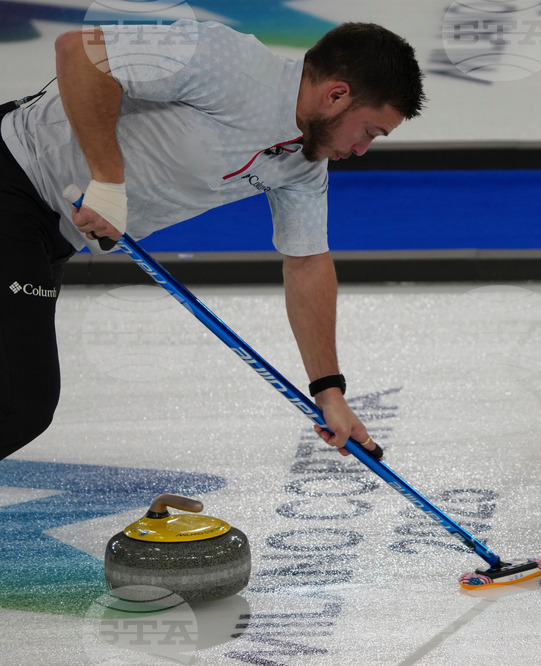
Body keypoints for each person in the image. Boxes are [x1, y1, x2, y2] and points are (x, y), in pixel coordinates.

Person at [0, 19, 425, 460]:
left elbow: (307, 262)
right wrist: (108, 181)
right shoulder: (228, 61)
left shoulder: (303, 164)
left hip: (49, 231)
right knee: (19, 403)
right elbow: (81, 52)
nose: (361, 151)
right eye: (369, 132)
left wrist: (328, 391)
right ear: (336, 95)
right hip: (15, 172)